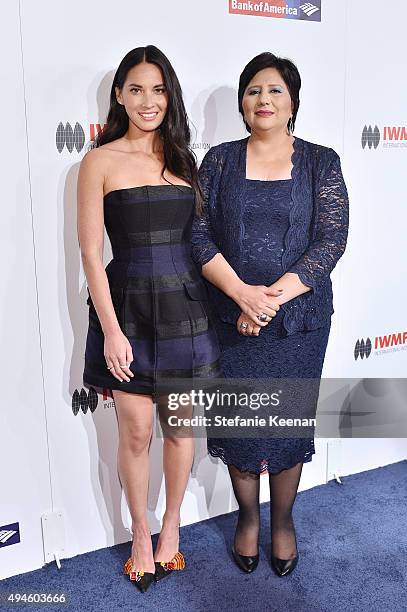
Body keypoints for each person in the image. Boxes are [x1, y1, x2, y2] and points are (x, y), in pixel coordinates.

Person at [191, 52, 349, 577]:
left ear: (293, 102)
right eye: (254, 90)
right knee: (240, 424)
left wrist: (269, 300)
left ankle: (283, 521)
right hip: (230, 320)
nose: (263, 99)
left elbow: (331, 240)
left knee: (283, 425)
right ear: (242, 102)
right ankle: (247, 520)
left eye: (275, 90)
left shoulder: (320, 161)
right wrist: (242, 296)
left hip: (298, 324)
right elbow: (197, 233)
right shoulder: (217, 161)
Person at [78, 45, 221, 593]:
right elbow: (92, 252)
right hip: (129, 309)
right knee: (135, 430)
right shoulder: (99, 161)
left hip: (186, 307)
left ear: (170, 97)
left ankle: (171, 528)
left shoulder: (184, 159)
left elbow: (201, 242)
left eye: (158, 90)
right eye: (136, 89)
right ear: (119, 94)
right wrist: (111, 330)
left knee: (180, 427)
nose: (148, 101)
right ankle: (139, 534)